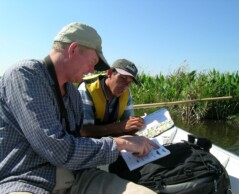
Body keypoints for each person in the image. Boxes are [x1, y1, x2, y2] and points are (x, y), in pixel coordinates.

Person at [0, 22, 158, 194]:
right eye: (93, 62)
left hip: (77, 175)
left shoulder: (73, 94)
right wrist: (121, 142)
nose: (92, 71)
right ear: (73, 49)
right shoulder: (25, 75)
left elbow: (77, 141)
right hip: (27, 180)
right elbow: (57, 148)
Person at [78, 58, 144, 138]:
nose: (125, 86)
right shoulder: (87, 90)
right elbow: (84, 131)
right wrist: (119, 127)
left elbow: (127, 124)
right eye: (122, 78)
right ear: (109, 72)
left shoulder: (126, 92)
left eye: (129, 82)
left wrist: (135, 124)